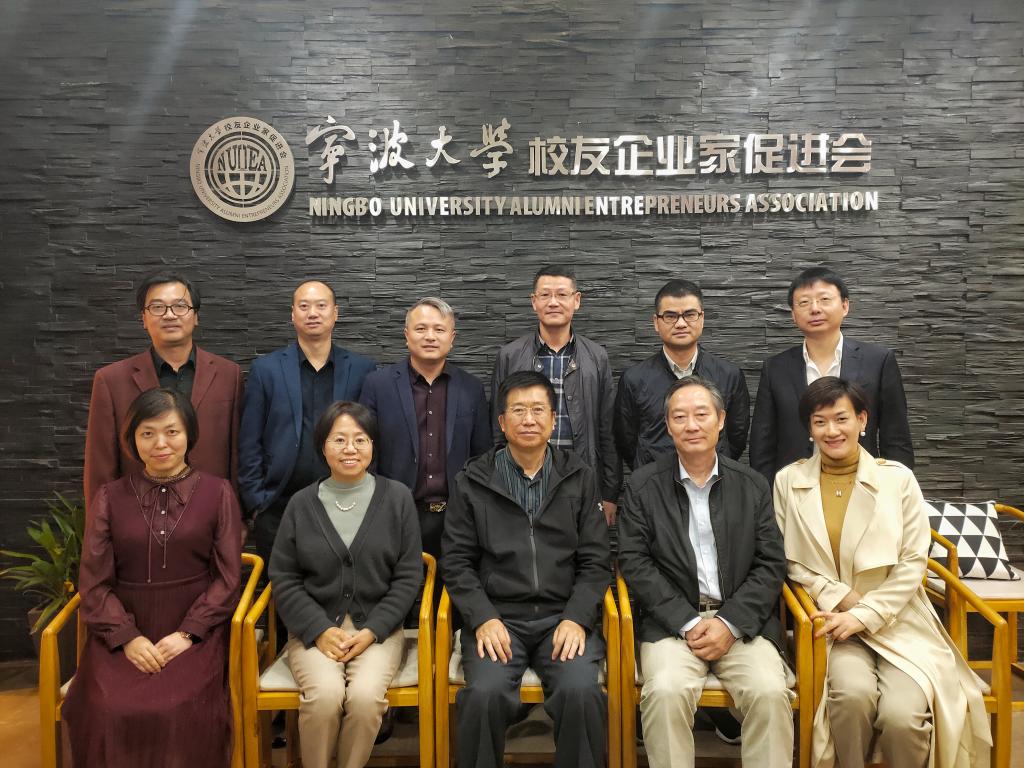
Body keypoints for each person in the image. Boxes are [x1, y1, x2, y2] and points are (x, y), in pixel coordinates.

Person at [773, 377, 990, 768]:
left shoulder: (897, 479)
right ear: (809, 428)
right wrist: (841, 599)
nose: (831, 430)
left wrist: (866, 613)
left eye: (841, 418)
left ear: (862, 420)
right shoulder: (789, 481)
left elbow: (913, 560)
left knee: (902, 717)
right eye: (820, 421)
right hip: (833, 624)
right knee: (851, 698)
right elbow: (789, 559)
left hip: (899, 620)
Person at [617, 376, 793, 768]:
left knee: (769, 692)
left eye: (701, 414)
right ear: (668, 426)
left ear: (721, 420)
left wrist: (729, 623)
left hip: (742, 626)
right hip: (671, 626)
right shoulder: (643, 485)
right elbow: (634, 561)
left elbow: (771, 563)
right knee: (665, 691)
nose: (691, 425)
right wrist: (687, 621)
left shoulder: (752, 485)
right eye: (679, 417)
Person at [64, 388, 242, 768]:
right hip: (123, 630)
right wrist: (127, 637)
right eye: (147, 433)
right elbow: (94, 582)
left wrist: (188, 633)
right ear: (133, 439)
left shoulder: (218, 492)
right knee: (107, 707)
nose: (160, 443)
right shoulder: (109, 497)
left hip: (195, 629)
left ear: (189, 435)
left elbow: (227, 579)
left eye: (171, 432)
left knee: (178, 709)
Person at [442, 371, 610, 768]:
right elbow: (456, 561)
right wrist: (482, 618)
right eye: (518, 410)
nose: (529, 419)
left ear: (553, 420)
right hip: (499, 619)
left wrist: (576, 618)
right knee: (483, 695)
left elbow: (596, 560)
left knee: (580, 692)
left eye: (538, 410)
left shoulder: (579, 477)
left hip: (562, 617)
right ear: (502, 422)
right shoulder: (473, 480)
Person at [270, 401, 423, 768]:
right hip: (314, 630)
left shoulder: (398, 498)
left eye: (360, 439)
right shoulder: (301, 504)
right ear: (323, 447)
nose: (350, 448)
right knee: (324, 696)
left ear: (373, 446)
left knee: (366, 698)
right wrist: (319, 629)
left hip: (378, 631)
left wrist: (372, 631)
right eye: (339, 439)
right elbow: (285, 577)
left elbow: (408, 576)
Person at [84, 270, 243, 523]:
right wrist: (100, 526)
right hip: (136, 519)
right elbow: (100, 465)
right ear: (143, 318)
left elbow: (237, 454)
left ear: (195, 316)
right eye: (157, 307)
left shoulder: (228, 374)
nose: (169, 315)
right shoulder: (111, 380)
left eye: (180, 306)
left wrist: (238, 518)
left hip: (211, 515)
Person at [238, 280, 376, 567]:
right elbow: (249, 441)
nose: (313, 313)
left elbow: (372, 437)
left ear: (335, 313)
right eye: (304, 306)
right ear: (292, 314)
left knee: (344, 585)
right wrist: (257, 503)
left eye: (321, 305)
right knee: (283, 588)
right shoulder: (266, 370)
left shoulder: (362, 369)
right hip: (278, 506)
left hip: (347, 504)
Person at [749, 266, 914, 482]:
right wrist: (767, 495)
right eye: (804, 302)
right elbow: (762, 444)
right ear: (793, 315)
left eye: (824, 299)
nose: (815, 309)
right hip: (795, 489)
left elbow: (896, 438)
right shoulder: (775, 367)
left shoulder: (878, 361)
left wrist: (895, 488)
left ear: (845, 305)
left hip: (863, 485)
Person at [359, 297, 491, 560]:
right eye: (421, 329)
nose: (430, 336)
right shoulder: (378, 385)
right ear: (406, 335)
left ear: (452, 338)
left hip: (456, 517)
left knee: (452, 584)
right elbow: (365, 450)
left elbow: (482, 456)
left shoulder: (471, 388)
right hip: (394, 514)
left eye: (439, 329)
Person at [491, 265, 621, 524]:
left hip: (580, 478)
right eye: (545, 295)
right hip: (520, 479)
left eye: (562, 295)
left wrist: (610, 492)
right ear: (534, 302)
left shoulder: (596, 357)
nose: (553, 302)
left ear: (576, 300)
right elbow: (497, 427)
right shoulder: (510, 356)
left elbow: (608, 428)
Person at [615, 278, 749, 468]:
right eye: (670, 316)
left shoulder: (729, 375)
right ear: (656, 322)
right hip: (654, 482)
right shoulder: (634, 379)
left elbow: (737, 438)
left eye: (689, 315)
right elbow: (626, 442)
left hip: (714, 480)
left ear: (702, 318)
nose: (680, 324)